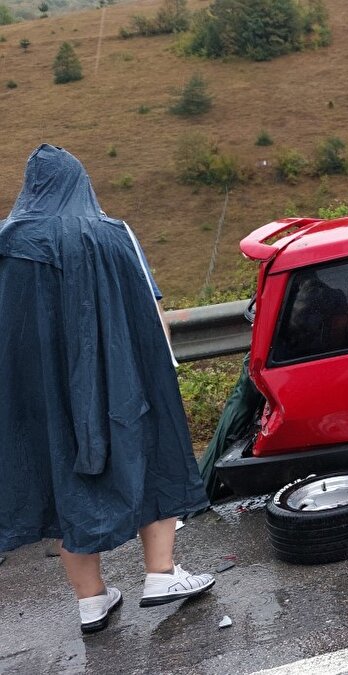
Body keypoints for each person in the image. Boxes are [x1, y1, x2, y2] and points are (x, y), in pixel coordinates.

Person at [0, 145, 213, 634]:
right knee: (150, 449)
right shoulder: (113, 234)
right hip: (122, 377)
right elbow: (152, 315)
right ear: (82, 183)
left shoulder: (7, 244)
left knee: (63, 473)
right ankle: (160, 574)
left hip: (42, 394)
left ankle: (91, 601)